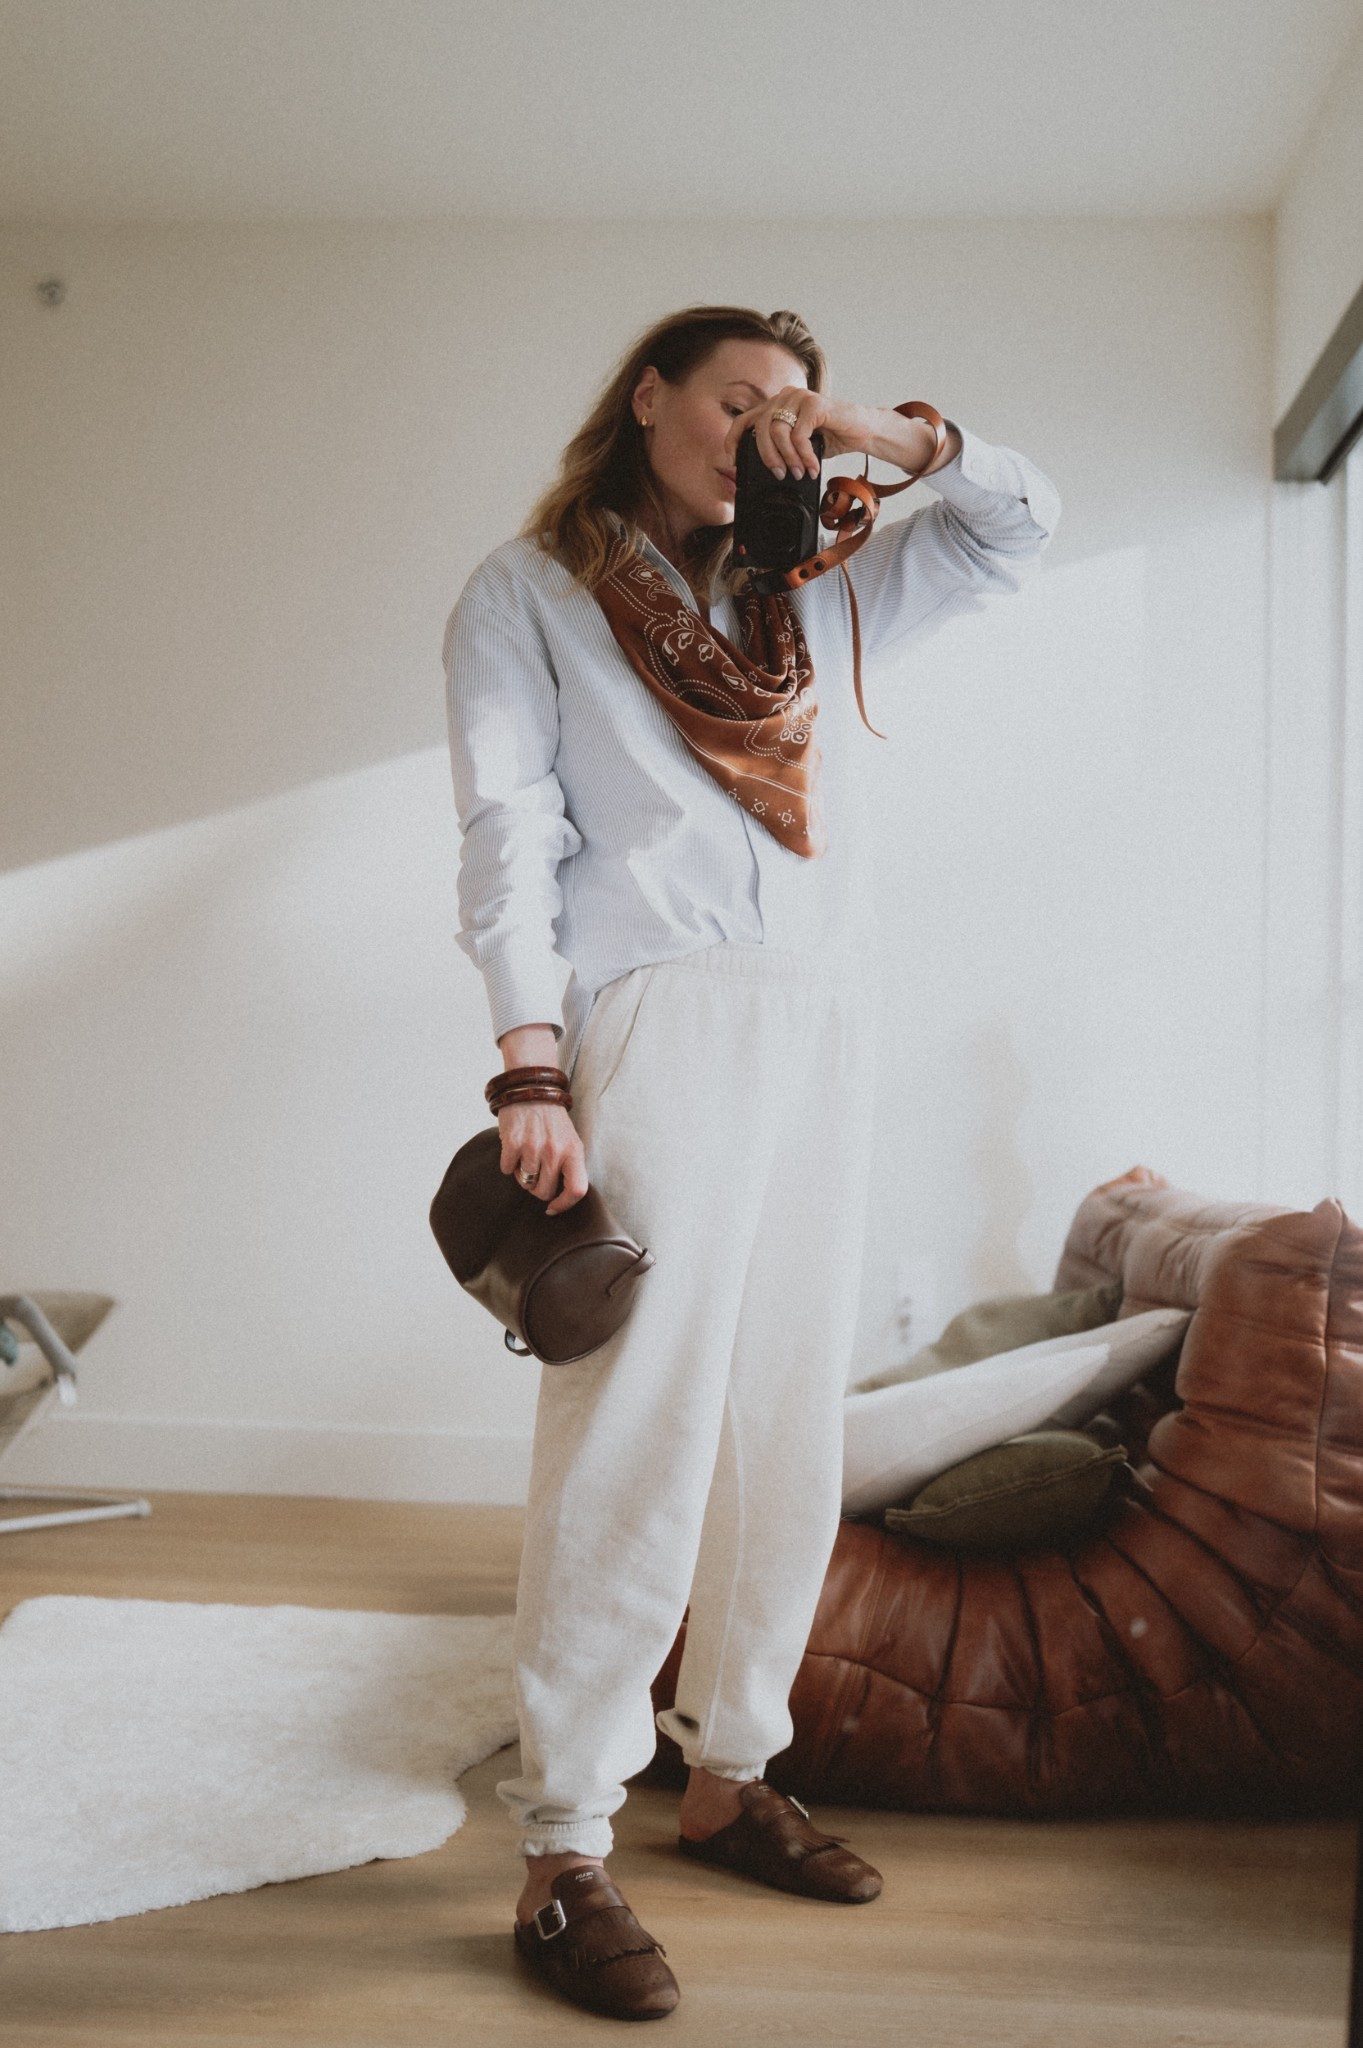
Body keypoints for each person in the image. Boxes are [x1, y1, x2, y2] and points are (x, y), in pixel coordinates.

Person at [441, 303, 1060, 2020]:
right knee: (634, 1426)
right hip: (657, 1014)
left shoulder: (820, 587)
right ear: (647, 398)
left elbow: (1026, 522)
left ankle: (728, 1771)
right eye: (737, 398)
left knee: (787, 1415)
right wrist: (530, 1070)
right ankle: (566, 1847)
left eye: (789, 402)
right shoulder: (534, 591)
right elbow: (511, 837)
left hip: (826, 1015)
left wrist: (870, 430)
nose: (763, 427)